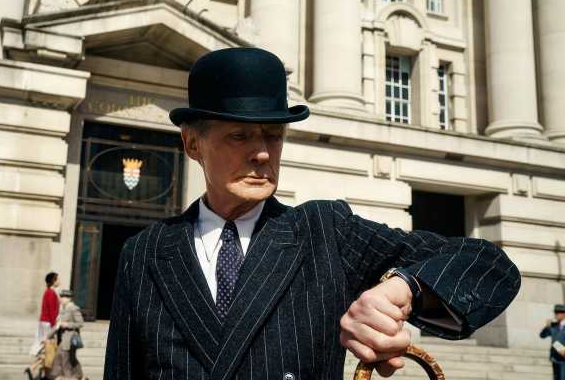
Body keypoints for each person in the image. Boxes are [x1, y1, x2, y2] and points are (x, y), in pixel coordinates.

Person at [104, 47, 521, 380]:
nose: (262, 152)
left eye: (273, 135)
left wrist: (405, 289)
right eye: (240, 135)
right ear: (193, 144)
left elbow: (489, 266)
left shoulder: (324, 232)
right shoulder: (144, 253)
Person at [50, 289, 85, 380]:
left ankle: (67, 377)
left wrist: (67, 325)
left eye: (64, 297)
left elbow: (80, 323)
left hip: (70, 338)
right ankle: (78, 375)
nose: (62, 299)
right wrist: (48, 336)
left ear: (69, 298)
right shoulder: (63, 309)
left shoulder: (73, 308)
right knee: (70, 358)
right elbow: (58, 325)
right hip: (63, 337)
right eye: (61, 296)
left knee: (63, 357)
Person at [34, 272, 60, 354]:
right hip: (48, 322)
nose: (59, 281)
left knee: (45, 345)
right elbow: (51, 310)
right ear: (53, 281)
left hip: (46, 321)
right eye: (58, 279)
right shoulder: (51, 293)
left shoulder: (49, 292)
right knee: (46, 345)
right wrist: (54, 325)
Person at [541, 304, 565, 380]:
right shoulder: (553, 325)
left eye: (558, 312)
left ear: (564, 314)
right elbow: (542, 335)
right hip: (555, 358)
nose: (556, 314)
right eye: (555, 312)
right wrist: (547, 327)